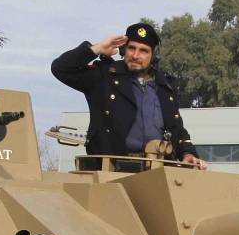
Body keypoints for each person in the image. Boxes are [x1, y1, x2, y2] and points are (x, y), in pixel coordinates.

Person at [51, 23, 205, 169]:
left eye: (144, 50)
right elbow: (61, 69)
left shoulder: (165, 86)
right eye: (132, 48)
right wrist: (97, 48)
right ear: (124, 49)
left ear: (152, 55)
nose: (136, 55)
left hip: (158, 171)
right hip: (111, 170)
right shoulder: (105, 77)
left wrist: (188, 152)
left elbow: (176, 127)